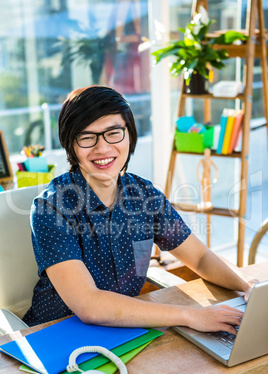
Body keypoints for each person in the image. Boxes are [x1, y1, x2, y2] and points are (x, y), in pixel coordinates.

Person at [23, 85, 254, 336]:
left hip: (124, 328)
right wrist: (190, 315)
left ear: (129, 135)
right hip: (55, 335)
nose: (102, 148)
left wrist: (247, 285)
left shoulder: (144, 195)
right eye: (87, 137)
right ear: (71, 144)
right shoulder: (51, 208)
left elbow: (199, 258)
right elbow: (89, 305)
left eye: (113, 133)